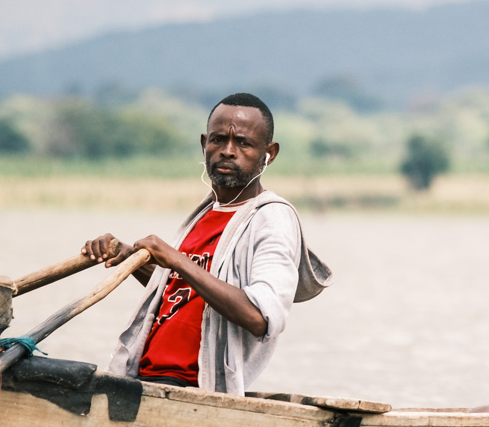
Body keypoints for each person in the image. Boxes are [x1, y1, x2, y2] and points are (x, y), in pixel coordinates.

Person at [82, 93, 330, 396]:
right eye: (218, 140)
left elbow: (261, 317)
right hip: (144, 379)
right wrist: (127, 258)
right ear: (204, 144)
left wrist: (176, 259)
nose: (228, 151)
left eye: (244, 143)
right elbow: (178, 287)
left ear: (270, 153)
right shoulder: (204, 214)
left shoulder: (272, 218)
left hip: (194, 389)